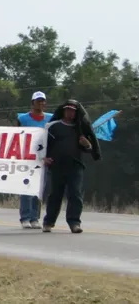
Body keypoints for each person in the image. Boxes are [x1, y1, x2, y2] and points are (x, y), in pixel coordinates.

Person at [42, 100, 101, 234]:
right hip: (57, 166)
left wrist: (87, 144)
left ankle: (74, 223)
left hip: (75, 166)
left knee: (75, 194)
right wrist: (44, 157)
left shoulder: (79, 128)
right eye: (68, 109)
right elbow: (43, 145)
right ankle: (48, 222)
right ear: (63, 110)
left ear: (76, 113)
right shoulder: (52, 126)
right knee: (55, 195)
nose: (70, 112)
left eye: (73, 110)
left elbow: (89, 149)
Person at [15, 91, 52, 229]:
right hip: (27, 158)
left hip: (42, 158)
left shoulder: (50, 118)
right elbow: (16, 137)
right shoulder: (23, 118)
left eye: (43, 101)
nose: (41, 103)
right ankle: (25, 217)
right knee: (26, 187)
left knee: (38, 189)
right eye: (38, 101)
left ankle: (35, 218)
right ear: (32, 103)